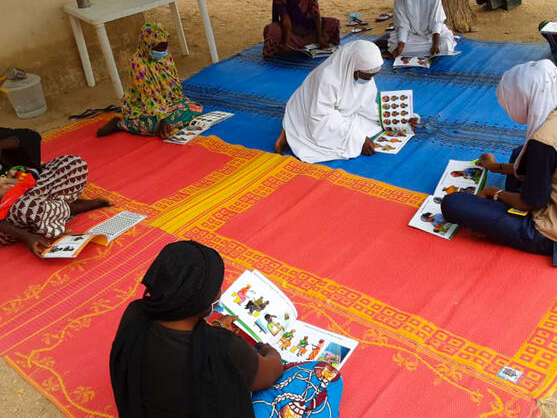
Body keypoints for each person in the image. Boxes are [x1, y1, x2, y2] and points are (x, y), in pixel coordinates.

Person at [110, 241, 342, 418]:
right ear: (200, 299)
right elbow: (271, 373)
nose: (220, 294)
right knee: (324, 373)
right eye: (216, 289)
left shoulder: (135, 315)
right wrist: (271, 352)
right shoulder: (221, 347)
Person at [441, 60, 557, 267]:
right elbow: (549, 165)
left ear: (525, 97)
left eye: (511, 99)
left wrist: (495, 193)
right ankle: (495, 215)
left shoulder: (543, 142)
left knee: (453, 204)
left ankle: (497, 225)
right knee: (519, 154)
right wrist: (496, 168)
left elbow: (529, 203)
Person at [274, 40, 389, 163]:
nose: (370, 80)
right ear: (352, 67)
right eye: (366, 76)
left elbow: (367, 104)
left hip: (340, 111)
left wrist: (395, 117)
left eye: (372, 76)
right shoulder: (327, 78)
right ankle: (290, 131)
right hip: (312, 113)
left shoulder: (362, 70)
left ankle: (290, 131)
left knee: (373, 124)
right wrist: (358, 140)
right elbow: (320, 118)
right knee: (316, 148)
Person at [97, 22, 203, 138]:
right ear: (147, 45)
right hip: (143, 108)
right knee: (153, 124)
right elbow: (149, 96)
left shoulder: (165, 57)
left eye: (165, 45)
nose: (163, 50)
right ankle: (121, 123)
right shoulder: (137, 64)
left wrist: (174, 104)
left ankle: (167, 122)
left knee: (193, 108)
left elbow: (174, 87)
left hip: (167, 102)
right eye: (159, 46)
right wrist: (161, 118)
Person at [0, 155, 112, 256]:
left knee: (72, 164)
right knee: (27, 207)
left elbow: (16, 181)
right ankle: (60, 217)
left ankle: (53, 211)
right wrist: (27, 236)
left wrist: (11, 181)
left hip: (24, 193)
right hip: (9, 219)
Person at [383, 0, 457, 58]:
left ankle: (431, 48)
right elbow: (402, 24)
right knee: (395, 44)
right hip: (411, 35)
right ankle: (401, 47)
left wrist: (435, 44)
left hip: (432, 34)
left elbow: (437, 21)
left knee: (445, 44)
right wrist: (401, 45)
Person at [263, 0, 340, 57]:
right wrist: (286, 43)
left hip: (311, 28)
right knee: (272, 29)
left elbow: (315, 13)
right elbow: (286, 20)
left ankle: (315, 43)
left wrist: (319, 37)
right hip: (290, 33)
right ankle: (288, 47)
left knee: (334, 22)